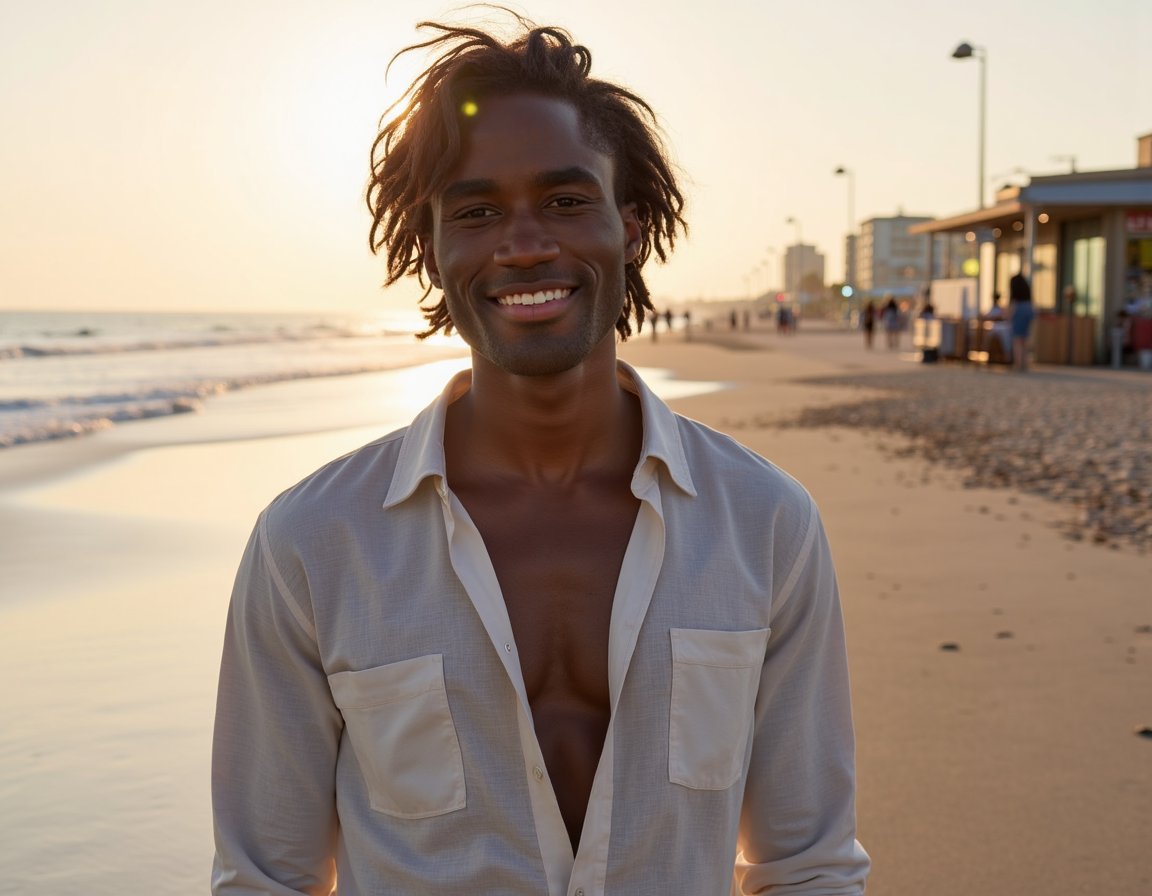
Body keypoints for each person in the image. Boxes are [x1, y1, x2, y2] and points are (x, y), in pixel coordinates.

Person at [211, 15, 869, 896]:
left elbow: (808, 866)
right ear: (434, 247)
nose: (523, 245)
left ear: (629, 226)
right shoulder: (313, 543)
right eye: (477, 211)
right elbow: (265, 877)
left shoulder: (765, 522)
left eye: (565, 201)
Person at [1009, 271, 1034, 371]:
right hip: (1028, 309)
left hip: (1019, 310)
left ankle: (1018, 364)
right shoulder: (1026, 290)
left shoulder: (1016, 294)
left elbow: (1013, 306)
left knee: (1017, 340)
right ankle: (1025, 364)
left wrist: (1009, 316)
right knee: (1024, 340)